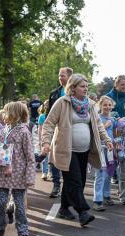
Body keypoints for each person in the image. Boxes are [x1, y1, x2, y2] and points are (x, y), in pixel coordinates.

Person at [41, 74, 113, 226]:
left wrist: (107, 139)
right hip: (66, 149)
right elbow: (49, 124)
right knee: (74, 181)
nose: (85, 89)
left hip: (85, 150)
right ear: (73, 87)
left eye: (87, 86)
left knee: (75, 181)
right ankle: (83, 212)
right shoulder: (62, 102)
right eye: (82, 86)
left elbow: (98, 125)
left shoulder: (91, 104)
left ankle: (64, 208)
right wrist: (45, 143)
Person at [0, 102, 35, 236]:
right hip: (2, 173)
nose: (3, 115)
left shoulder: (24, 132)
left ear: (14, 114)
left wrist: (29, 176)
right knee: (0, 202)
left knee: (19, 205)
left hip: (19, 174)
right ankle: (0, 225)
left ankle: (23, 230)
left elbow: (30, 156)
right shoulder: (3, 130)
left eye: (6, 112)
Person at [47, 67, 73, 198]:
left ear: (69, 76)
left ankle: (70, 186)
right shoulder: (54, 93)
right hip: (56, 129)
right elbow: (49, 115)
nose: (60, 77)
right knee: (53, 157)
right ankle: (56, 184)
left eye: (62, 75)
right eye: (59, 75)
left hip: (71, 131)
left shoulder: (76, 92)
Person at [92, 96, 117, 211]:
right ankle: (97, 199)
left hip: (110, 150)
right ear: (100, 106)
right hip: (100, 149)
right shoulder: (97, 118)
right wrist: (105, 126)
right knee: (100, 174)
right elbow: (94, 132)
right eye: (105, 105)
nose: (107, 107)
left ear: (112, 106)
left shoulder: (113, 119)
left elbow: (117, 133)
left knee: (109, 173)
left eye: (109, 105)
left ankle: (106, 195)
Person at [37, 100, 49, 181]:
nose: (46, 106)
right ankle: (44, 172)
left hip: (54, 137)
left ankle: (51, 171)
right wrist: (40, 139)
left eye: (48, 105)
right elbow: (40, 128)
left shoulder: (55, 114)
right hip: (44, 138)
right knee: (45, 155)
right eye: (45, 105)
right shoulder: (42, 116)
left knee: (53, 156)